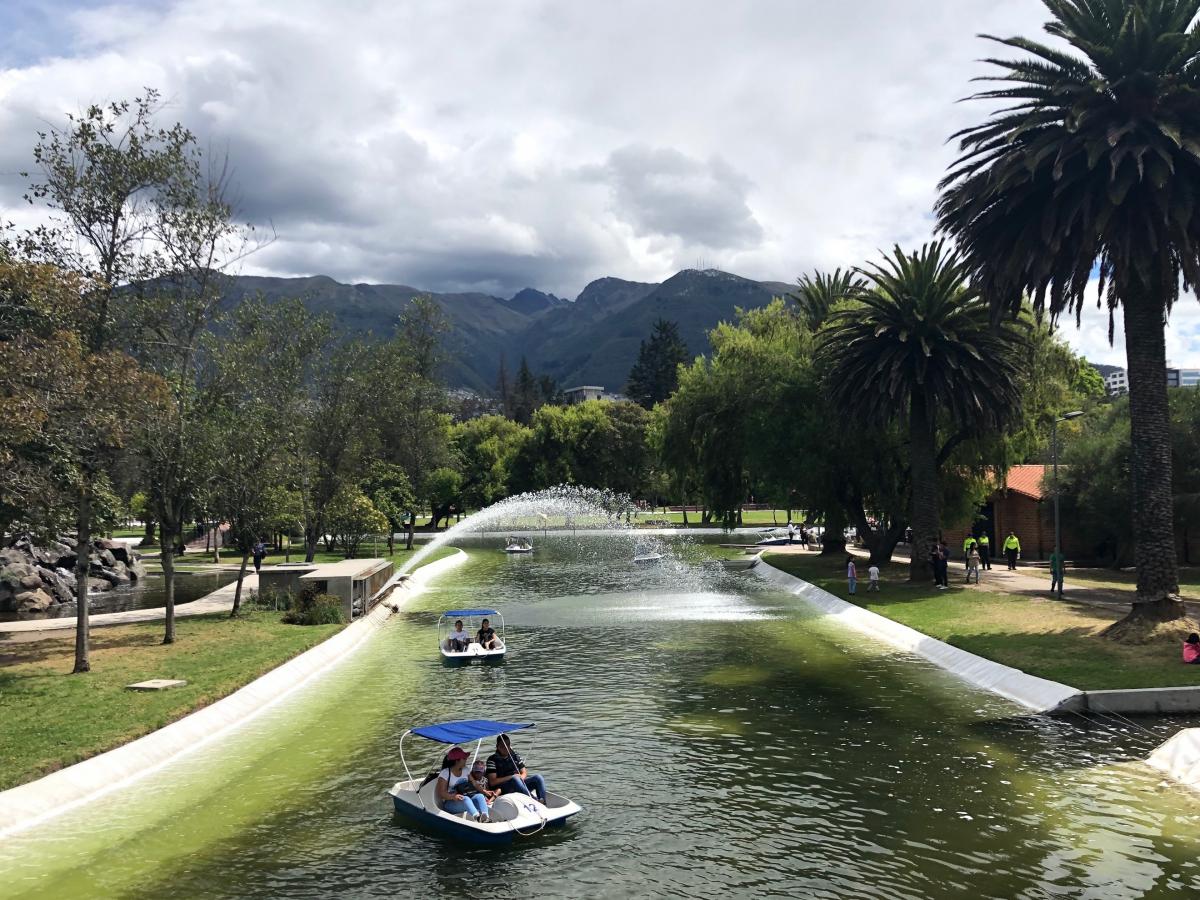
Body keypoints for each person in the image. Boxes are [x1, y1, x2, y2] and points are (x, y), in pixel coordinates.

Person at [486, 733, 547, 803]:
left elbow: (524, 772)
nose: (506, 748)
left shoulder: (515, 756)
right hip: (504, 788)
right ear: (497, 747)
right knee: (515, 779)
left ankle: (543, 802)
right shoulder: (492, 760)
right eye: (503, 746)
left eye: (508, 745)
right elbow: (493, 782)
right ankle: (531, 800)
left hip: (519, 784)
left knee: (538, 777)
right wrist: (512, 777)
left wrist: (520, 779)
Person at [437, 746, 490, 822]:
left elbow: (474, 784)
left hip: (465, 798)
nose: (466, 760)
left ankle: (485, 818)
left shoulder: (465, 770)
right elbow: (441, 793)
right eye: (464, 758)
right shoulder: (445, 773)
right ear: (457, 761)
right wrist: (453, 797)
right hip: (450, 802)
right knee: (466, 799)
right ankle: (478, 818)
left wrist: (484, 792)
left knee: (480, 796)